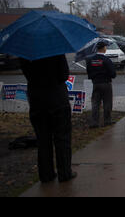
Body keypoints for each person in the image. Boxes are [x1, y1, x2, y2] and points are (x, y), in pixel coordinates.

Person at [19, 55, 77, 183]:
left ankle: (46, 174)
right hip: (57, 98)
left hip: (37, 100)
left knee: (43, 139)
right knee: (62, 138)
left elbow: (27, 74)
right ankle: (65, 172)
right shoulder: (56, 51)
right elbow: (64, 75)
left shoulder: (25, 54)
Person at [86, 41, 116, 128]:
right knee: (107, 102)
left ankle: (94, 122)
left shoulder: (90, 59)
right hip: (106, 83)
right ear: (103, 48)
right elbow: (113, 73)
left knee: (95, 103)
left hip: (95, 83)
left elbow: (89, 72)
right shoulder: (106, 60)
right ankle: (107, 120)